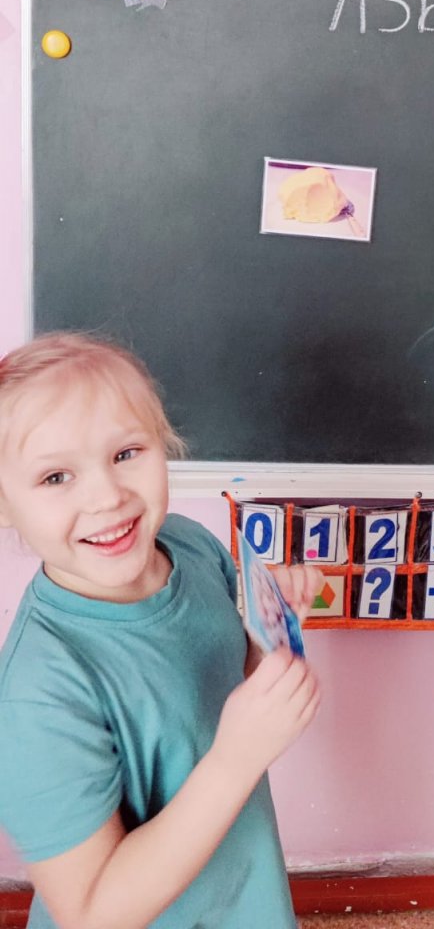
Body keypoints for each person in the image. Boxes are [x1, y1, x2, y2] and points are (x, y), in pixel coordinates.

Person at [0, 332, 322, 929]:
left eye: (127, 453)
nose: (107, 497)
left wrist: (267, 637)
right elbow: (91, 912)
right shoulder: (35, 695)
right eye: (56, 477)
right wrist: (236, 760)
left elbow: (216, 699)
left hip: (244, 899)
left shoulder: (190, 545)